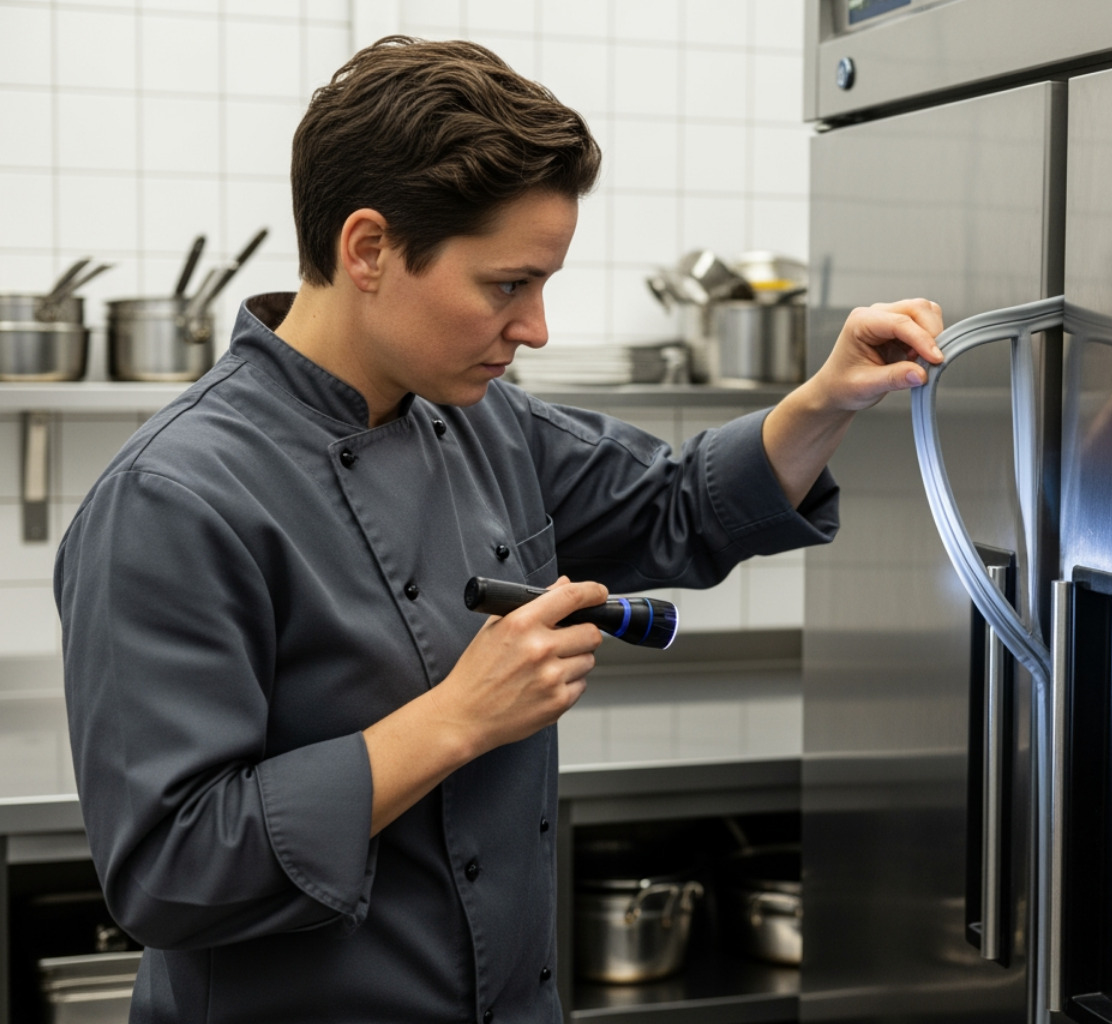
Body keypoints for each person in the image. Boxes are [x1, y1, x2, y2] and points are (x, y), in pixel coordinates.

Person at [53, 36, 944, 1024]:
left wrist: (827, 398)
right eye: (507, 285)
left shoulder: (482, 420)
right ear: (369, 249)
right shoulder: (175, 498)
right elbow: (173, 868)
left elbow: (678, 504)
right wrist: (456, 718)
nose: (538, 328)